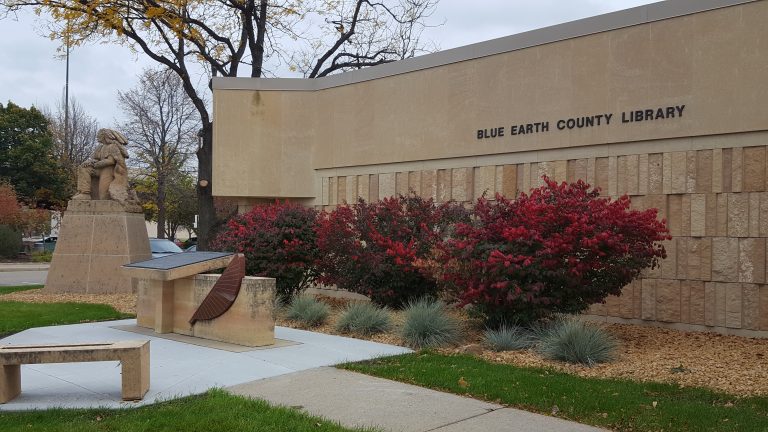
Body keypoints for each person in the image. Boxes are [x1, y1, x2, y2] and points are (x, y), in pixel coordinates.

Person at [72, 129, 139, 208]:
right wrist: (89, 162)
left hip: (109, 170)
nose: (97, 137)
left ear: (105, 136)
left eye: (99, 135)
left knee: (103, 197)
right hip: (99, 169)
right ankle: (85, 193)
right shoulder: (100, 147)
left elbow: (111, 161)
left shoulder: (112, 146)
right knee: (84, 168)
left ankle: (128, 198)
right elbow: (95, 158)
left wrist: (96, 164)